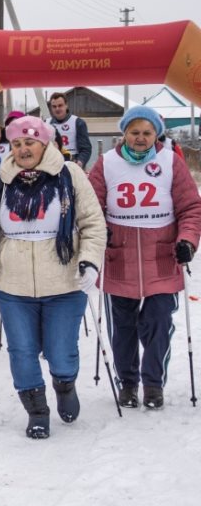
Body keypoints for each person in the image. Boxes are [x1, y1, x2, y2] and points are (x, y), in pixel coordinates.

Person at [0, 115, 106, 439]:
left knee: (61, 352)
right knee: (22, 350)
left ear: (45, 143)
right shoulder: (1, 179)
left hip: (64, 282)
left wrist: (89, 261)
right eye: (16, 143)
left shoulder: (70, 175)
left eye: (30, 142)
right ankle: (37, 410)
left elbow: (93, 224)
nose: (23, 149)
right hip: (12, 285)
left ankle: (64, 384)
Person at [89, 105, 201, 409]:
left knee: (158, 321)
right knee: (123, 328)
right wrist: (101, 232)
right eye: (134, 132)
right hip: (119, 258)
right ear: (124, 132)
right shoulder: (106, 163)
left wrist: (187, 241)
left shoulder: (171, 162)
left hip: (162, 257)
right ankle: (128, 382)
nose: (140, 138)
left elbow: (190, 207)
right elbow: (91, 206)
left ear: (156, 134)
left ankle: (153, 384)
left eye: (147, 133)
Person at [47, 92, 92, 169]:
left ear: (66, 105)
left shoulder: (78, 122)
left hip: (72, 163)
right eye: (54, 106)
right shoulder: (46, 123)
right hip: (52, 164)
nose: (57, 109)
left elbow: (86, 148)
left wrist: (80, 162)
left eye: (60, 105)